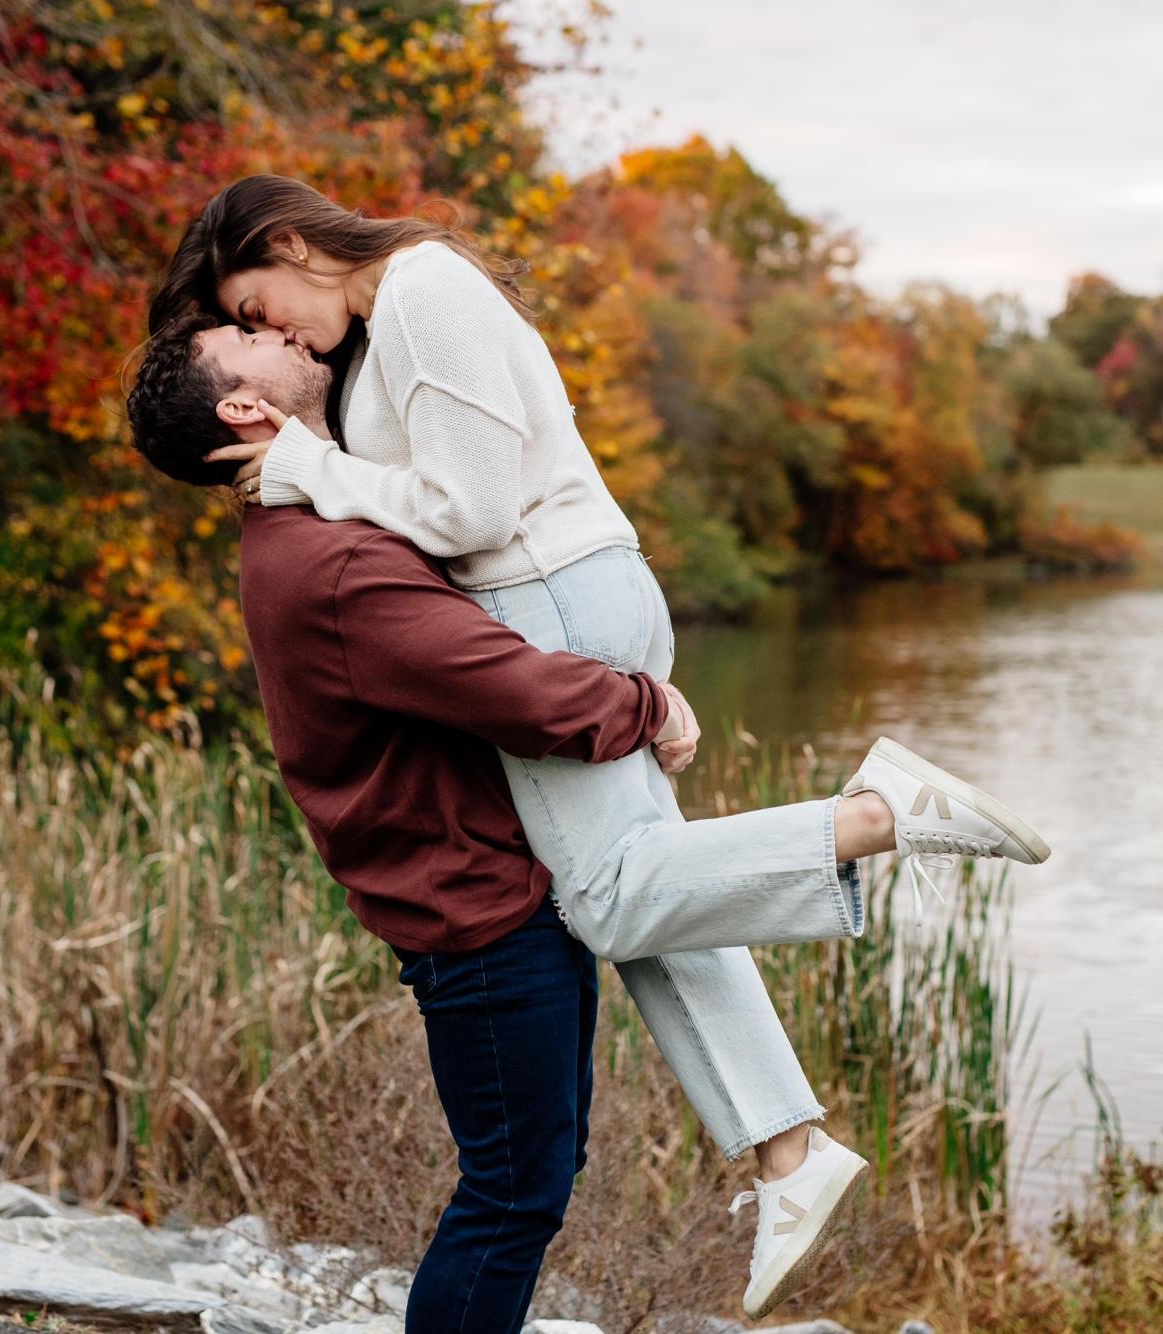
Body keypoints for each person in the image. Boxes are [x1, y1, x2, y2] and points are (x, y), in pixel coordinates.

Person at [139, 179, 1053, 1322]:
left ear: (287, 244)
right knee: (652, 894)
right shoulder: (388, 326)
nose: (278, 331)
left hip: (547, 600)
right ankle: (785, 1146)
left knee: (617, 897)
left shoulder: (421, 291)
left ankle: (877, 816)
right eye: (249, 328)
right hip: (557, 597)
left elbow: (470, 516)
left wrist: (308, 468)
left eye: (255, 305)